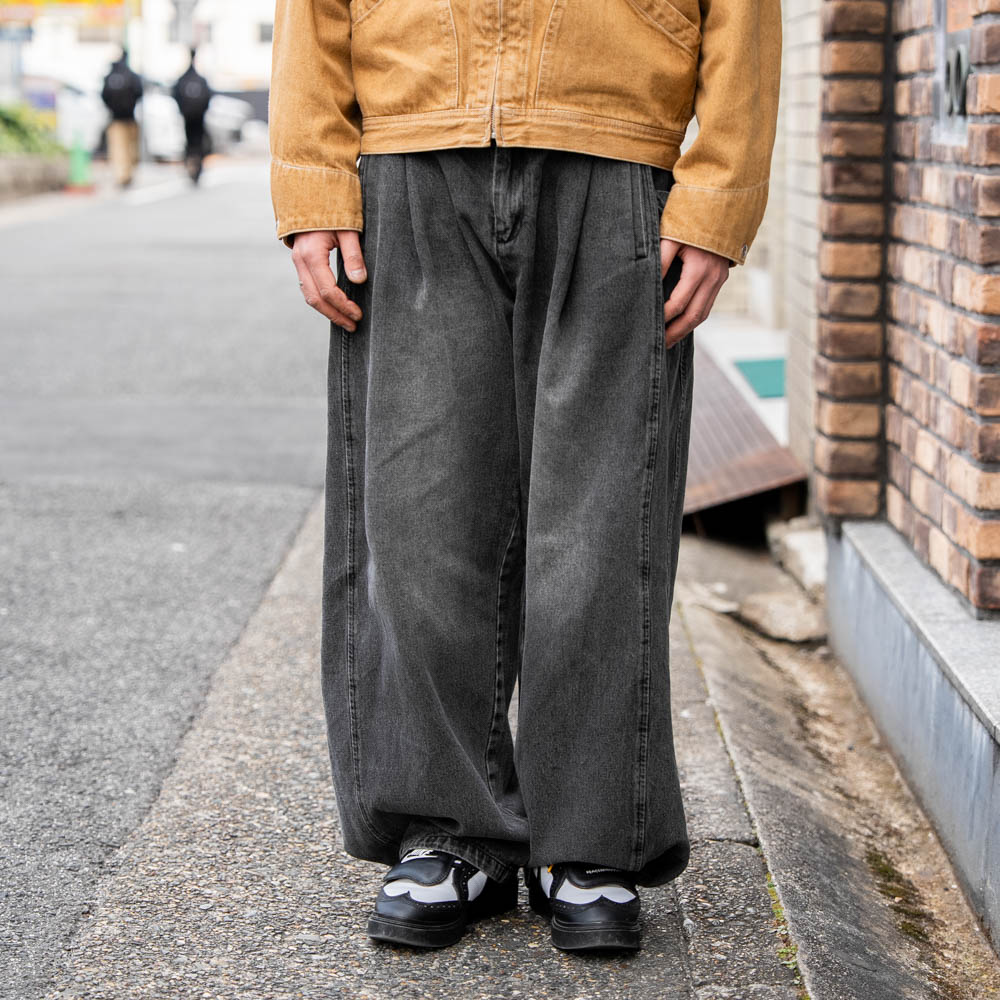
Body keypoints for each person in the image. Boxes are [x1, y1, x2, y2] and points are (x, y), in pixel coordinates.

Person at [269, 0, 781, 954]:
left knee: (600, 529)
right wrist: (312, 182)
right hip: (411, 154)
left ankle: (589, 841)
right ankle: (448, 828)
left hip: (616, 154)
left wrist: (718, 200)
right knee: (418, 523)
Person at [100, 49, 143, 188]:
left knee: (118, 149)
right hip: (130, 118)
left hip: (115, 119)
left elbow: (104, 96)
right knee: (131, 148)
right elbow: (139, 93)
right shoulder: (132, 75)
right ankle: (127, 173)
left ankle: (121, 175)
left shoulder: (110, 76)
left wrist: (111, 108)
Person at [171, 48, 213, 184]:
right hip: (199, 117)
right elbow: (208, 97)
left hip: (187, 116)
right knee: (198, 142)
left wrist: (182, 110)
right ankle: (197, 166)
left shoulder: (183, 79)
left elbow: (175, 94)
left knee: (189, 142)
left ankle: (190, 165)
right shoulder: (200, 79)